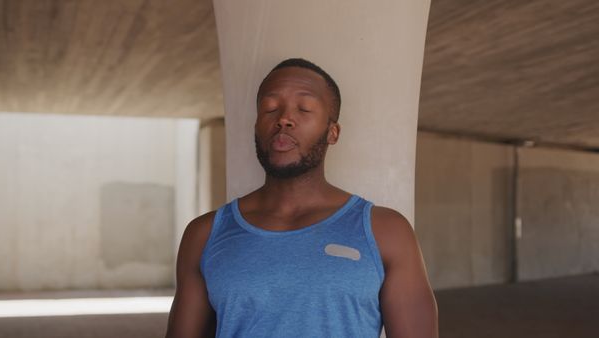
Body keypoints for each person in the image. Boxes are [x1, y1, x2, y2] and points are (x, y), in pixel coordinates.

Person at [165, 58, 438, 338]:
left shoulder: (386, 231)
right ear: (256, 127)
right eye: (270, 108)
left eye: (304, 108)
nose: (283, 118)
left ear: (333, 132)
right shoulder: (204, 234)